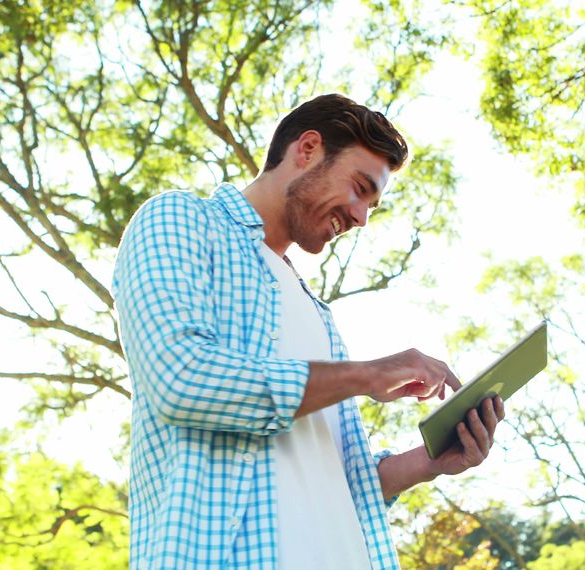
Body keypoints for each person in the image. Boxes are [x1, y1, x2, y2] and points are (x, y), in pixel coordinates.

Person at [113, 94, 505, 569]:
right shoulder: (182, 220)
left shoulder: (317, 314)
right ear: (308, 149)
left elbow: (335, 476)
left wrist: (428, 462)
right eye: (361, 187)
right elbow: (181, 380)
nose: (362, 216)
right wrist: (366, 374)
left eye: (373, 205)